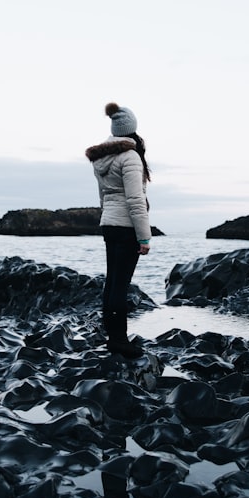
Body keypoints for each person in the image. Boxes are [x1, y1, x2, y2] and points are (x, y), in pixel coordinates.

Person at [85, 102, 152, 358]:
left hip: (109, 224)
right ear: (132, 130)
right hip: (125, 227)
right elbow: (136, 200)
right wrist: (144, 236)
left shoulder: (102, 157)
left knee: (111, 281)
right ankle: (119, 340)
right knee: (120, 285)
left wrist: (106, 218)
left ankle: (112, 336)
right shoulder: (130, 156)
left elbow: (103, 195)